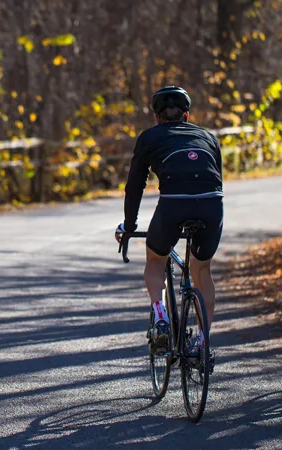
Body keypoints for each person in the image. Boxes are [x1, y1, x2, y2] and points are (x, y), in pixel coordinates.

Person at [114, 86, 224, 358]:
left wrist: (129, 226)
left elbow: (135, 185)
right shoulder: (208, 137)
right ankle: (203, 341)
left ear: (157, 118)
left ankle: (160, 316)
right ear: (187, 116)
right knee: (202, 270)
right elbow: (217, 177)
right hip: (212, 203)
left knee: (155, 260)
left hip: (174, 203)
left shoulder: (150, 137)